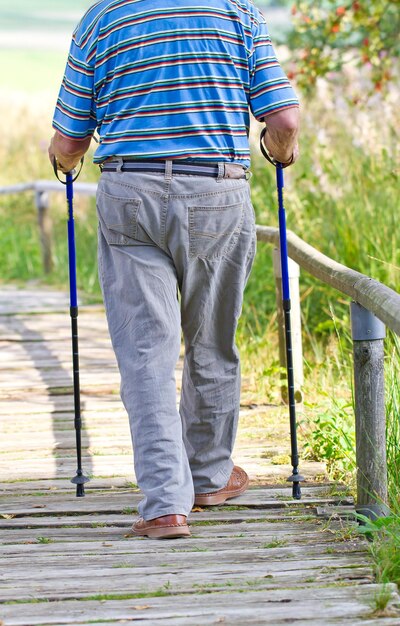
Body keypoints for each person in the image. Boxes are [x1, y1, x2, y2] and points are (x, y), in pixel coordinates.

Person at [49, 0, 299, 539]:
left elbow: (69, 140)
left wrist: (62, 165)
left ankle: (165, 503)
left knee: (145, 352)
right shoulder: (238, 15)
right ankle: (209, 476)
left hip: (129, 191)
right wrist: (279, 152)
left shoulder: (103, 18)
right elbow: (283, 118)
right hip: (217, 189)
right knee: (212, 341)